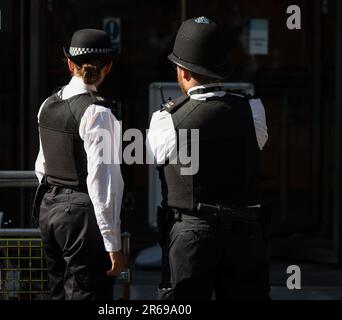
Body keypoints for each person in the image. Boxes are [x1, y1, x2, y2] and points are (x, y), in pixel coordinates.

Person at [147, 16, 270, 300]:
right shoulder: (252, 109)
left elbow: (159, 161)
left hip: (191, 235)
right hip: (244, 235)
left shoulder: (166, 119)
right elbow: (256, 146)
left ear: (184, 72)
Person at [33, 29, 125, 300]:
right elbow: (103, 182)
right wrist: (113, 242)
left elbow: (42, 166)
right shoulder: (98, 112)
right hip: (81, 218)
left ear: (70, 64)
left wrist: (54, 205)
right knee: (87, 293)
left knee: (58, 291)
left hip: (49, 211)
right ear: (107, 67)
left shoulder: (47, 104)